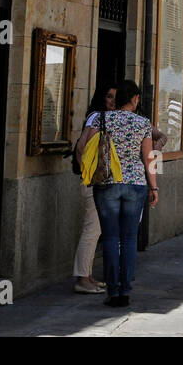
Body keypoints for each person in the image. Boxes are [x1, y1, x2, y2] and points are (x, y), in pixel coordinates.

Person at [78, 79, 157, 309]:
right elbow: (149, 158)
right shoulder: (143, 123)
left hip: (108, 183)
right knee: (129, 238)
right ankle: (125, 290)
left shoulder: (103, 118)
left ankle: (112, 291)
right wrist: (154, 187)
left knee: (111, 238)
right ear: (134, 99)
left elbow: (85, 146)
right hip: (135, 184)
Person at [73, 86, 114, 294]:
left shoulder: (101, 117)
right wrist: (87, 174)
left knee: (94, 229)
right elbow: (81, 147)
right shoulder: (97, 117)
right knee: (91, 230)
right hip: (93, 182)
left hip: (93, 181)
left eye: (115, 97)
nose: (112, 100)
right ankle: (82, 278)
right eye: (109, 96)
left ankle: (87, 276)